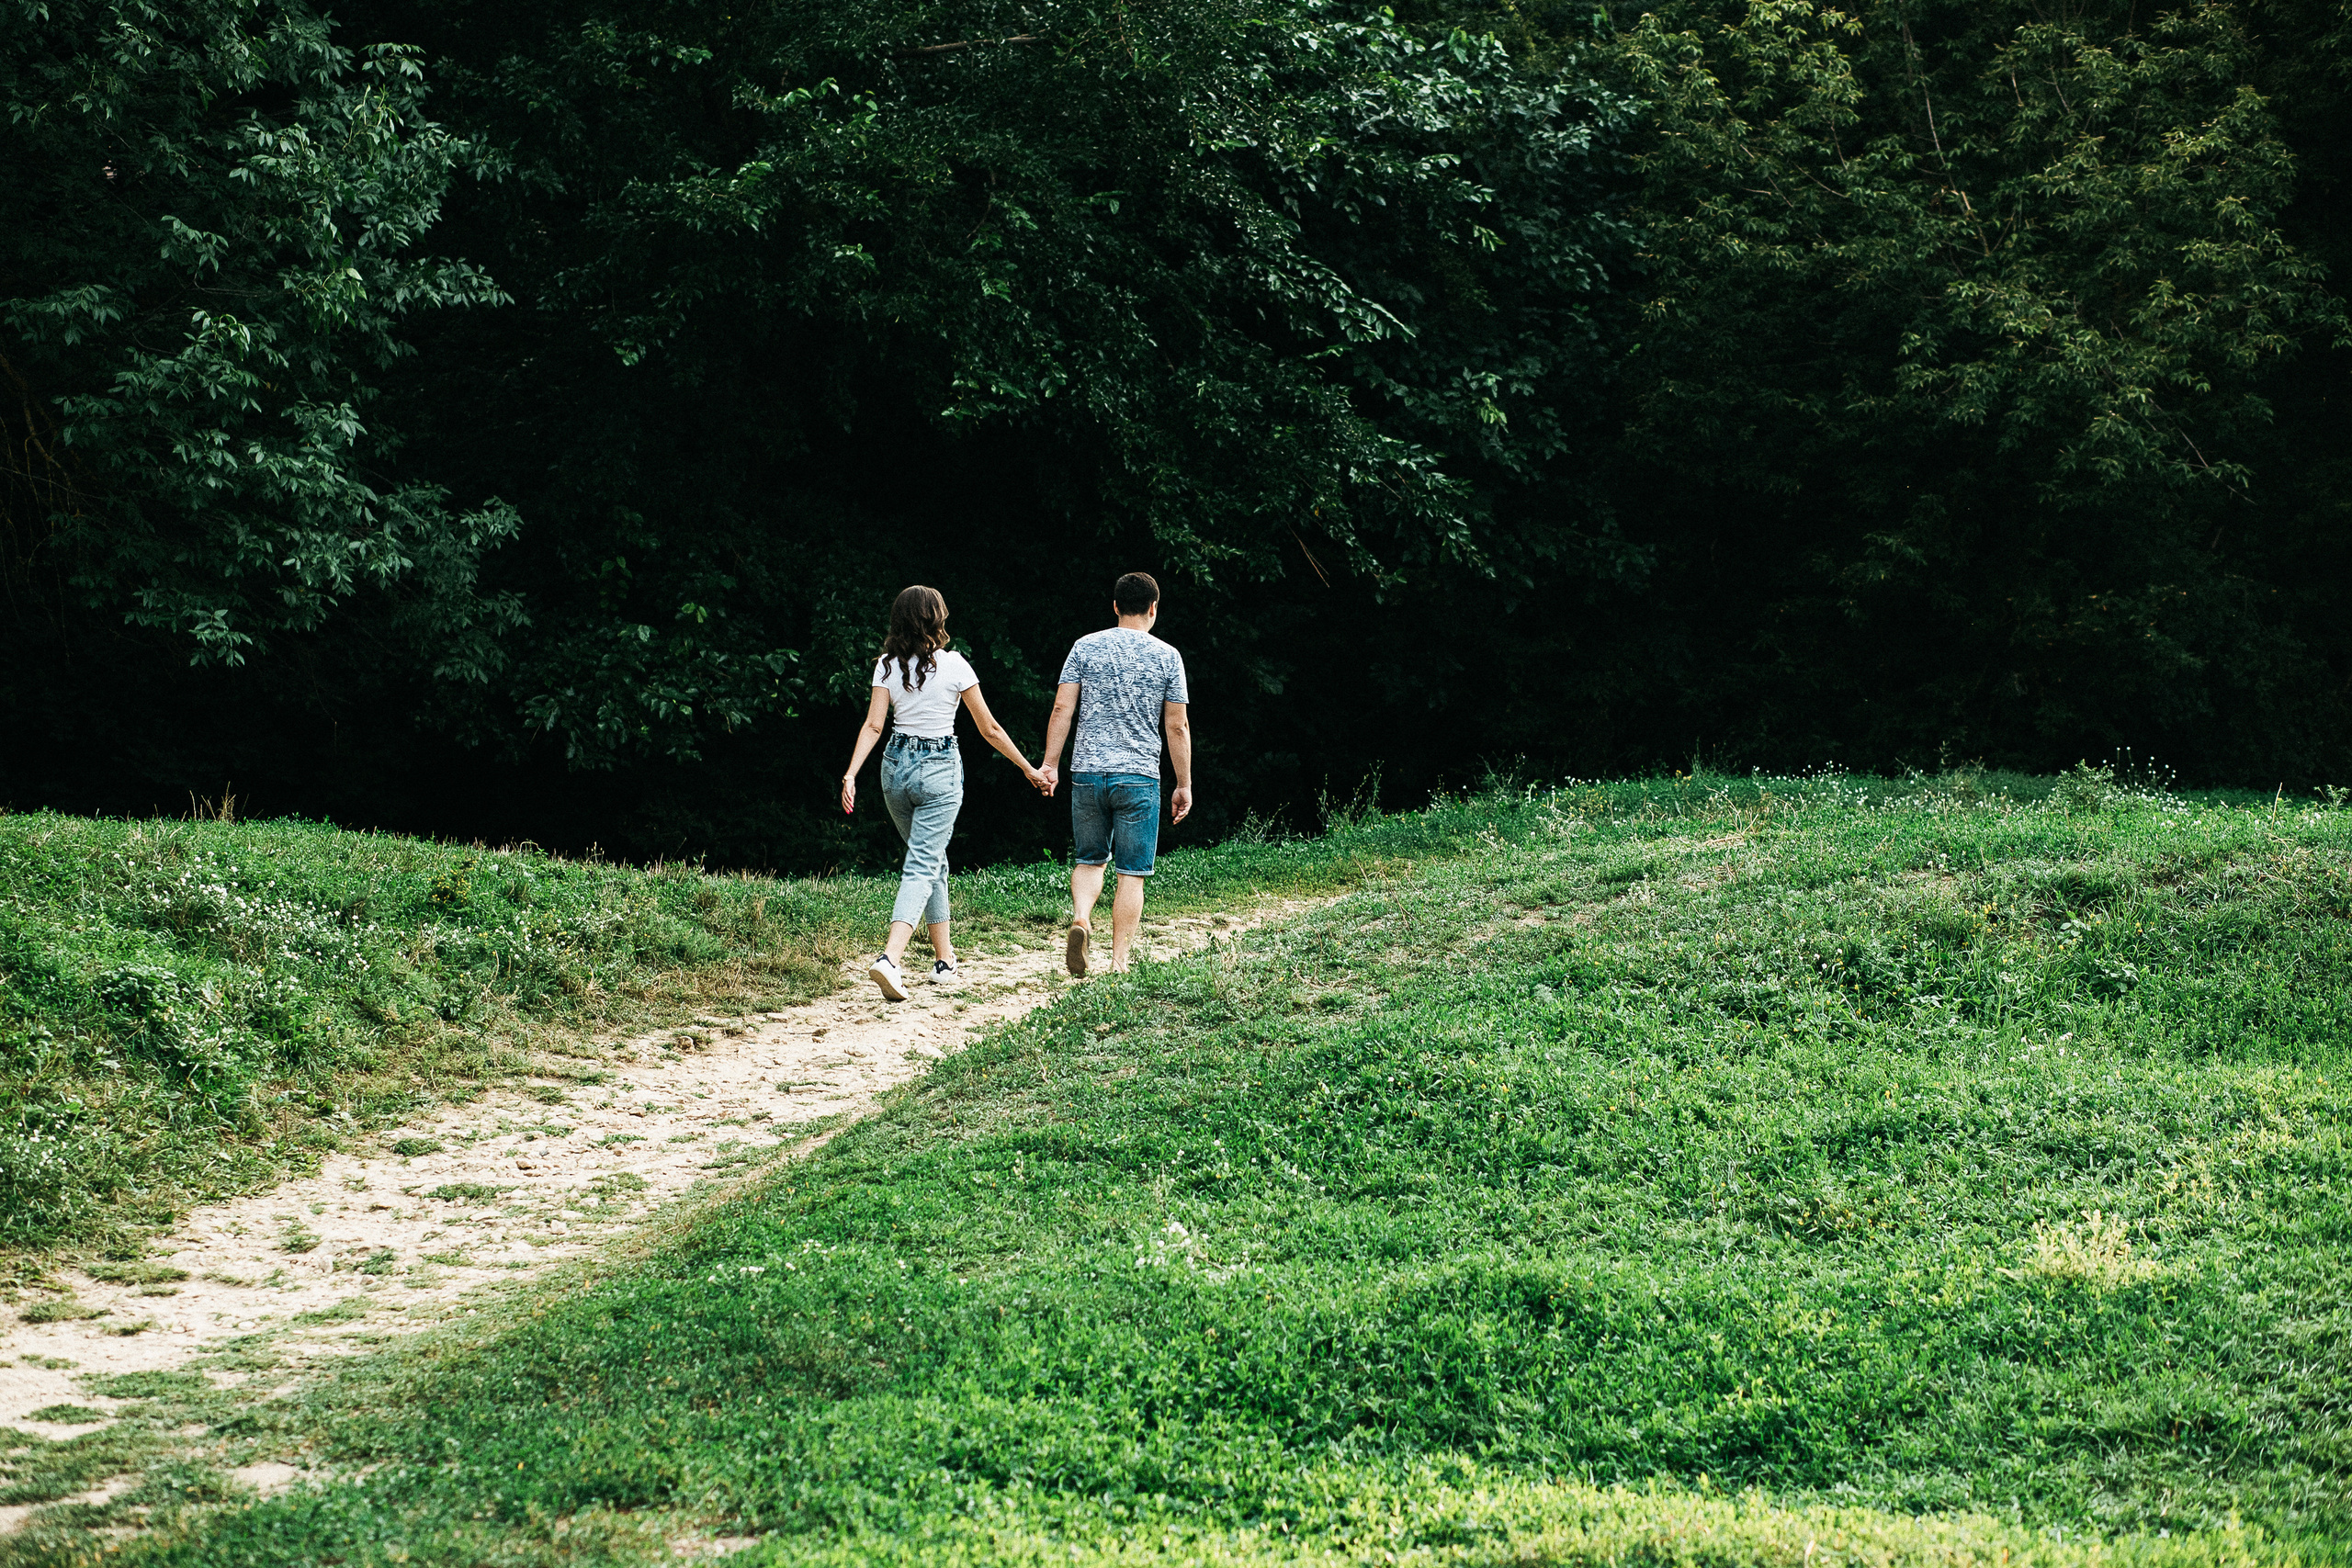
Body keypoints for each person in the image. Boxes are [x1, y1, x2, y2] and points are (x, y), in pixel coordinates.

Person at [842, 585, 1048, 1000]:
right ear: (935, 620)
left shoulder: (886, 665)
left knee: (931, 858)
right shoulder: (955, 666)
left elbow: (873, 726)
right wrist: (1028, 768)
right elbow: (989, 729)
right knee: (922, 862)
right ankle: (890, 959)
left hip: (895, 770)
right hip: (938, 770)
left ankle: (944, 959)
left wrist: (851, 774)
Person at [1038, 571, 1192, 975]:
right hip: (1139, 776)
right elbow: (1177, 726)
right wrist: (1184, 784)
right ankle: (1119, 962)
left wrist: (1050, 764)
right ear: (1154, 608)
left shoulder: (1084, 647)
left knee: (1090, 859)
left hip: (1088, 772)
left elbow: (1062, 709)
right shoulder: (1167, 656)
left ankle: (1082, 919)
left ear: (1116, 606)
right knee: (1132, 872)